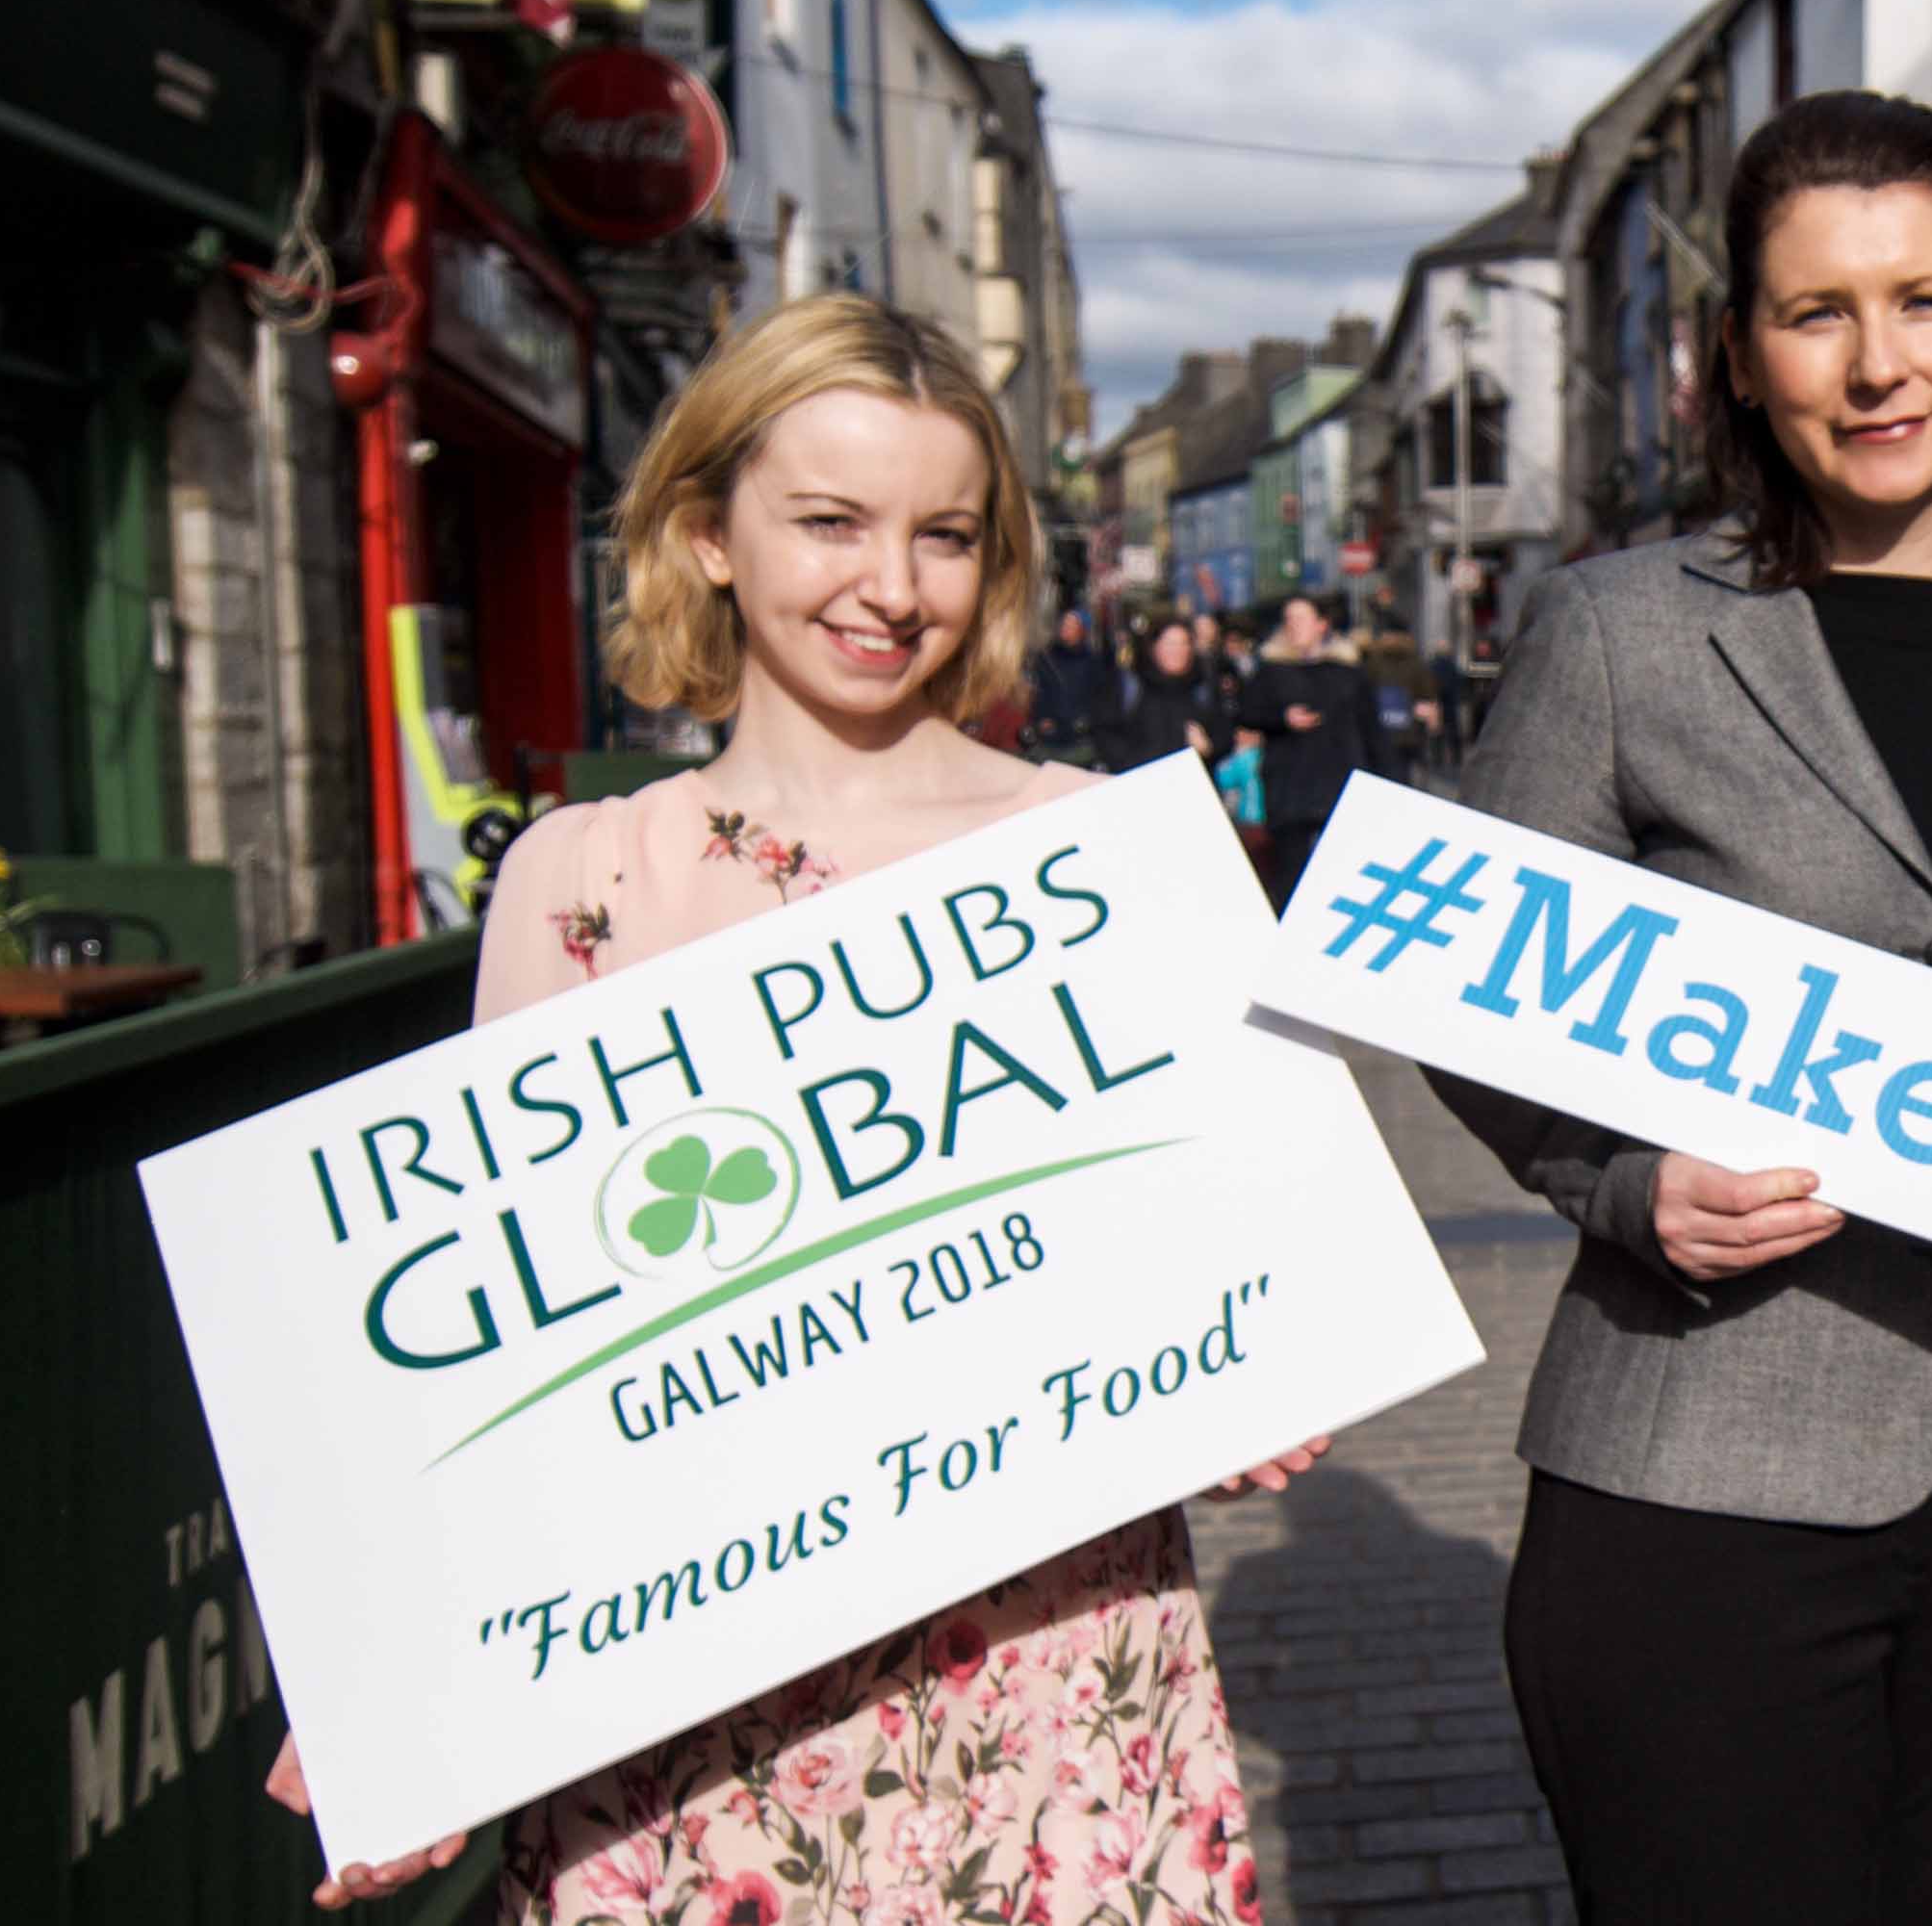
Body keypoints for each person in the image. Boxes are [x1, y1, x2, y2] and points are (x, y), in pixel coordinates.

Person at [264, 294, 1327, 1922]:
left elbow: (1231, 1222)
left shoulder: (1104, 843)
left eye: (944, 534)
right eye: (829, 521)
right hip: (691, 1705)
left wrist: (1256, 1348)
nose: (891, 587)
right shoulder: (583, 876)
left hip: (1041, 1656)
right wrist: (399, 1697)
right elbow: (509, 1334)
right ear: (704, 531)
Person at [1421, 91, 1932, 1924]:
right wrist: (1620, 1179)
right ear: (1738, 359)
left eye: (1922, 301)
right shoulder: (1614, 632)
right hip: (1695, 1472)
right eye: (1815, 312)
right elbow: (1458, 988)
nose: (1878, 364)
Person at [1231, 594, 1385, 909]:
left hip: (1339, 786)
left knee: (1343, 877)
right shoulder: (1271, 671)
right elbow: (1245, 712)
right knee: (1291, 880)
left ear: (1321, 624)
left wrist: (1388, 784)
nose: (1294, 626)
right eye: (1288, 620)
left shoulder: (1347, 673)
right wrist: (1281, 719)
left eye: (1301, 618)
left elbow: (1372, 732)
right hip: (1289, 789)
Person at [1119, 615, 1232, 772]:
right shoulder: (1134, 686)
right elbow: (1109, 732)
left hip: (1193, 780)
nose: (1178, 651)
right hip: (1143, 784)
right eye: (1170, 644)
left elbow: (1224, 731)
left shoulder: (1202, 685)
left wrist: (1209, 747)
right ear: (1155, 647)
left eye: (1184, 644)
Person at [1021, 604, 1118, 765]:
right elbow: (1038, 692)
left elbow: (1099, 696)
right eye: (1065, 624)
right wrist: (1041, 717)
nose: (1066, 628)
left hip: (1079, 739)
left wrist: (1084, 721)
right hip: (1048, 739)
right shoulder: (1046, 659)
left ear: (1083, 630)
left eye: (1072, 625)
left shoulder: (1092, 662)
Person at [1357, 623, 1442, 788]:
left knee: (1379, 777)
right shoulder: (1417, 663)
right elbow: (1428, 695)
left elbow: (1363, 693)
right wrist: (1433, 722)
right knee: (1404, 778)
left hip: (1379, 730)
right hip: (1409, 732)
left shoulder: (1372, 663)